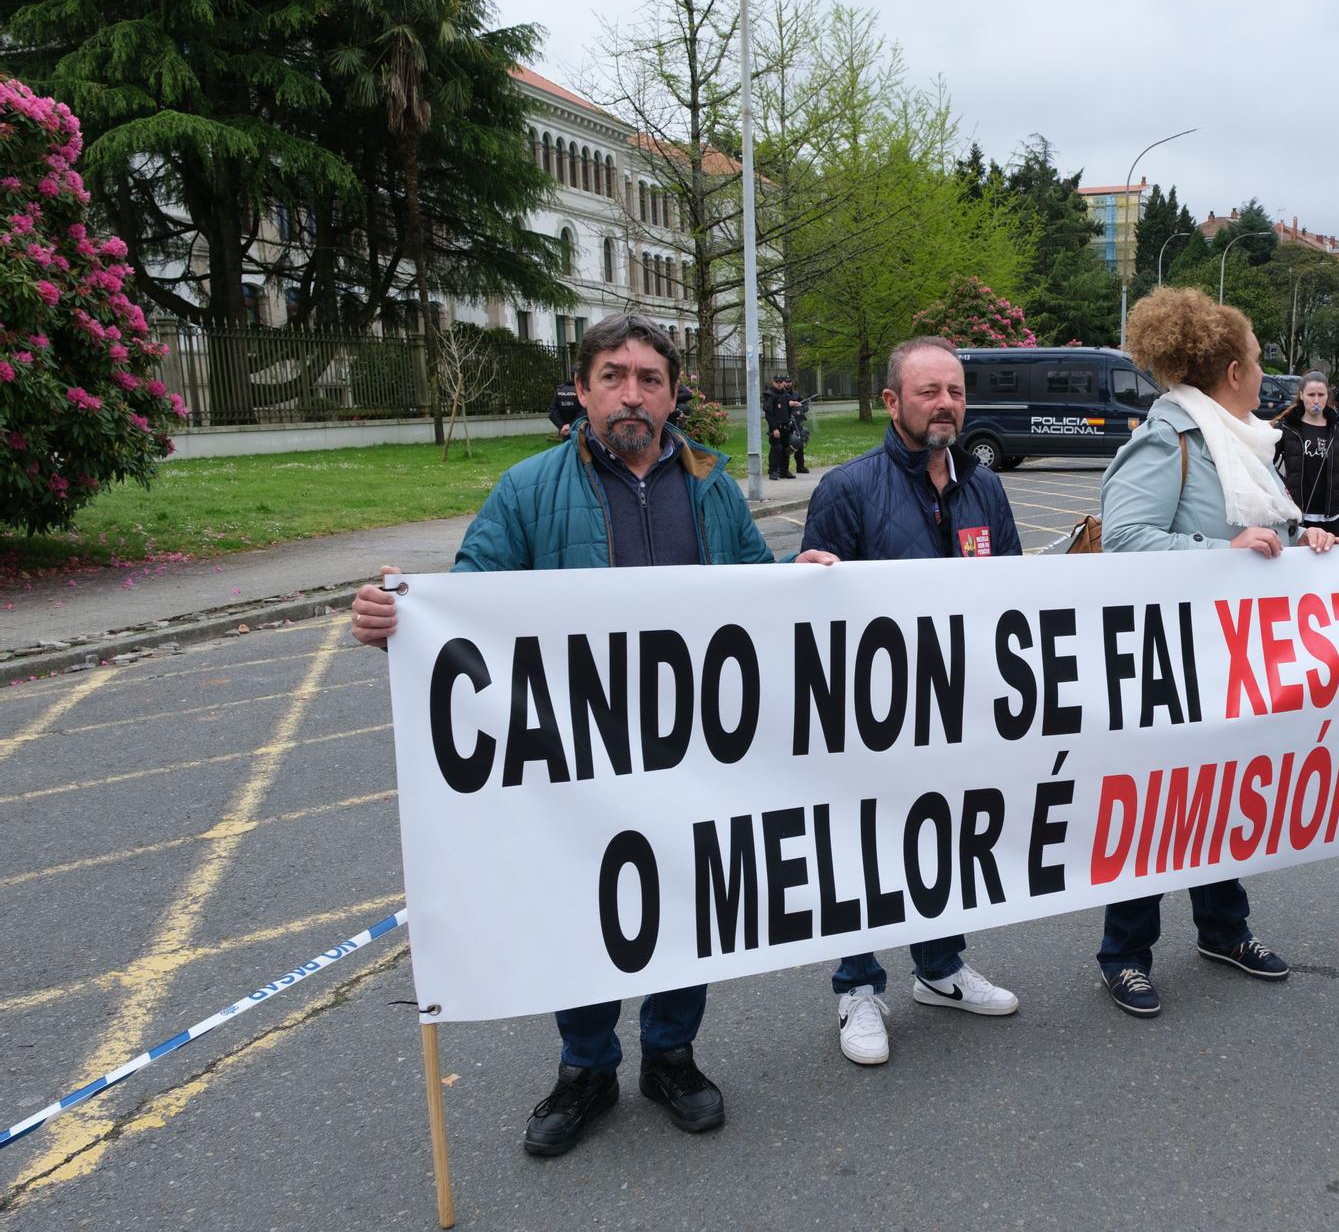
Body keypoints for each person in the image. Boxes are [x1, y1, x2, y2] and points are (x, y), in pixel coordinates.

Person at [350, 314, 836, 1157]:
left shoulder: (711, 486)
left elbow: (754, 587)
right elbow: (469, 603)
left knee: (689, 898)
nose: (632, 393)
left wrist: (798, 586)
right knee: (581, 906)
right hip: (579, 763)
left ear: (675, 391)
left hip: (692, 753)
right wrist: (400, 619)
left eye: (650, 378)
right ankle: (586, 1068)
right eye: (613, 375)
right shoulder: (529, 488)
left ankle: (672, 1056)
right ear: (582, 388)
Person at [1093, 288, 1338, 1018]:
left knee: (1219, 799)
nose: (1267, 376)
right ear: (1232, 370)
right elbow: (1124, 537)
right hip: (1165, 661)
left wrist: (1308, 542)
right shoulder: (1169, 439)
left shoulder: (1237, 443)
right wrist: (1220, 552)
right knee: (1153, 808)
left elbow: (1265, 533)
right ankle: (1124, 954)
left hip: (1229, 664)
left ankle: (1222, 931)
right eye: (1260, 362)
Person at [799, 336, 1024, 1065]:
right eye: (929, 391)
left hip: (958, 709)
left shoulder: (983, 486)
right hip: (871, 717)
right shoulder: (847, 488)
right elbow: (811, 613)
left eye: (955, 392)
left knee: (943, 838)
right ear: (893, 401)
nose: (946, 405)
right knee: (860, 847)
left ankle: (940, 968)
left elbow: (1013, 591)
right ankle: (858, 986)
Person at [1272, 370, 1339, 533]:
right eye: (1311, 394)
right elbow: (1266, 463)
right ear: (1301, 395)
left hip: (1329, 518)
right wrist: (1283, 491)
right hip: (1296, 516)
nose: (1316, 400)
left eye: (1321, 394)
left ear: (1328, 396)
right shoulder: (1287, 427)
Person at [762, 374, 808, 478]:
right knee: (776, 448)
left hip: (786, 426)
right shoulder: (770, 395)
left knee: (786, 449)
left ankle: (784, 471)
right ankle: (773, 471)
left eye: (780, 382)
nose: (778, 384)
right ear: (773, 382)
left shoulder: (785, 394)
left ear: (783, 383)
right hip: (776, 427)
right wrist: (774, 429)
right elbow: (768, 414)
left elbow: (788, 405)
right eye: (776, 382)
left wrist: (795, 404)